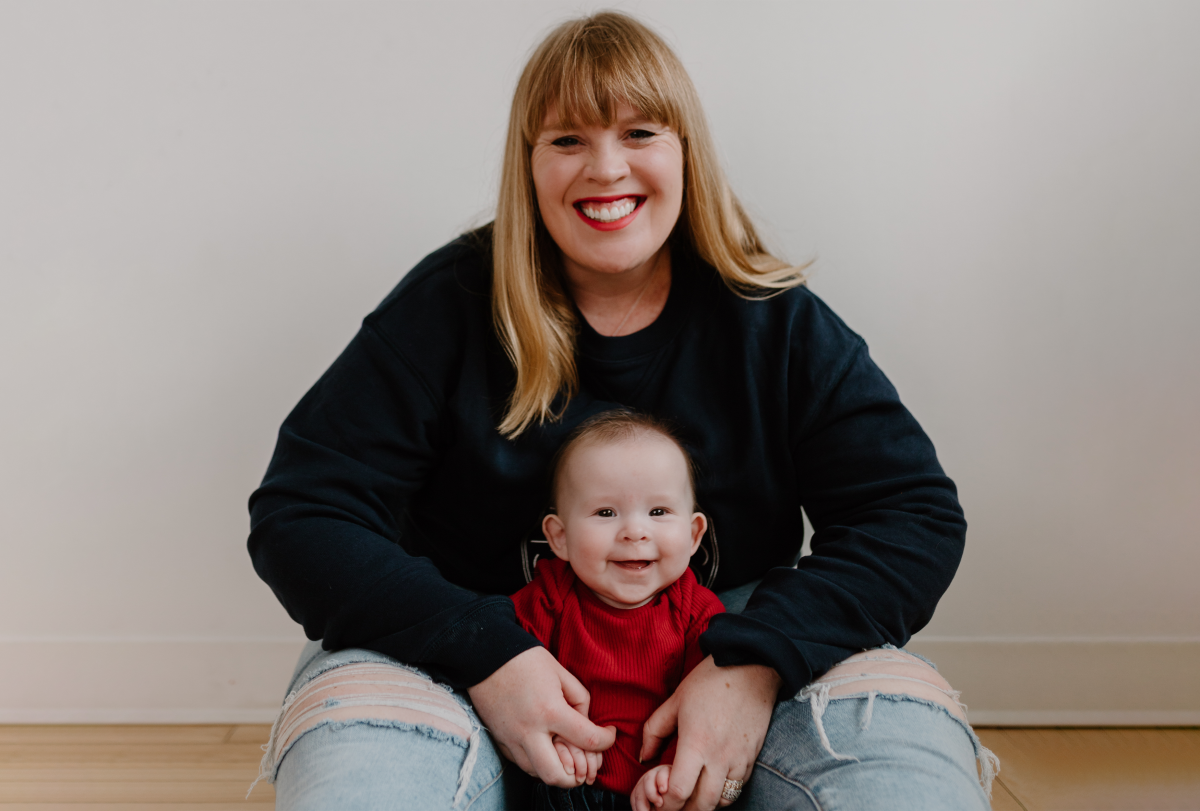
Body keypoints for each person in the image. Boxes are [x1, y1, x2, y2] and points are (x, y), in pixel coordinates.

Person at [249, 11, 998, 810]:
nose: (606, 169)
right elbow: (303, 510)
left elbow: (911, 512)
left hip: (726, 643)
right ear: (528, 164)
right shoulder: (448, 304)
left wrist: (754, 660)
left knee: (904, 773)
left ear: (686, 152)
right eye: (566, 140)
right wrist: (486, 652)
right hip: (455, 648)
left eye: (640, 132)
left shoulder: (772, 320)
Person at [509, 409, 726, 811]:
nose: (635, 531)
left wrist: (672, 768)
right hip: (565, 785)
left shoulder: (697, 611)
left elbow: (710, 710)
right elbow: (516, 684)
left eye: (658, 512)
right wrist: (556, 737)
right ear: (560, 538)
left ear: (695, 534)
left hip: (660, 790)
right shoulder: (549, 598)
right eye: (606, 513)